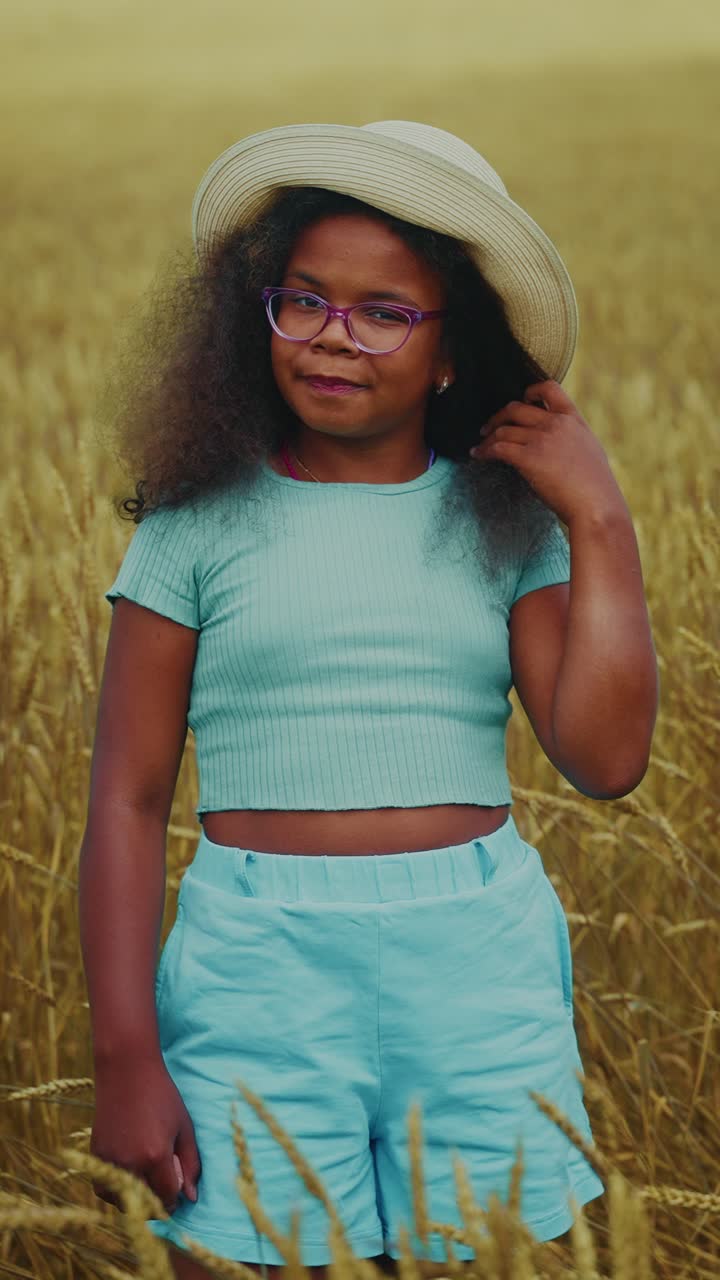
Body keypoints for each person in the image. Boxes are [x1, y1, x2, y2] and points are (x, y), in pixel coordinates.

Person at [79, 121, 658, 1280]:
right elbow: (129, 801)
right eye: (305, 301)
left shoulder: (505, 527)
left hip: (474, 964)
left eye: (385, 311)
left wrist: (600, 517)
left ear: (453, 348)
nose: (335, 339)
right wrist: (127, 1055)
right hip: (257, 968)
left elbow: (605, 757)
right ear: (259, 316)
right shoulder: (194, 528)